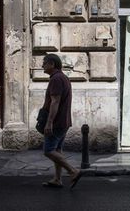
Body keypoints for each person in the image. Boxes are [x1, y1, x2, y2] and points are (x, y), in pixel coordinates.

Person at [41, 54, 82, 189]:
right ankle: (57, 179)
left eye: (45, 63)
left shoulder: (56, 79)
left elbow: (55, 102)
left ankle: (72, 171)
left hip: (57, 122)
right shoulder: (62, 77)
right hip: (63, 121)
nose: (42, 66)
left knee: (48, 150)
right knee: (57, 149)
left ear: (52, 64)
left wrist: (49, 122)